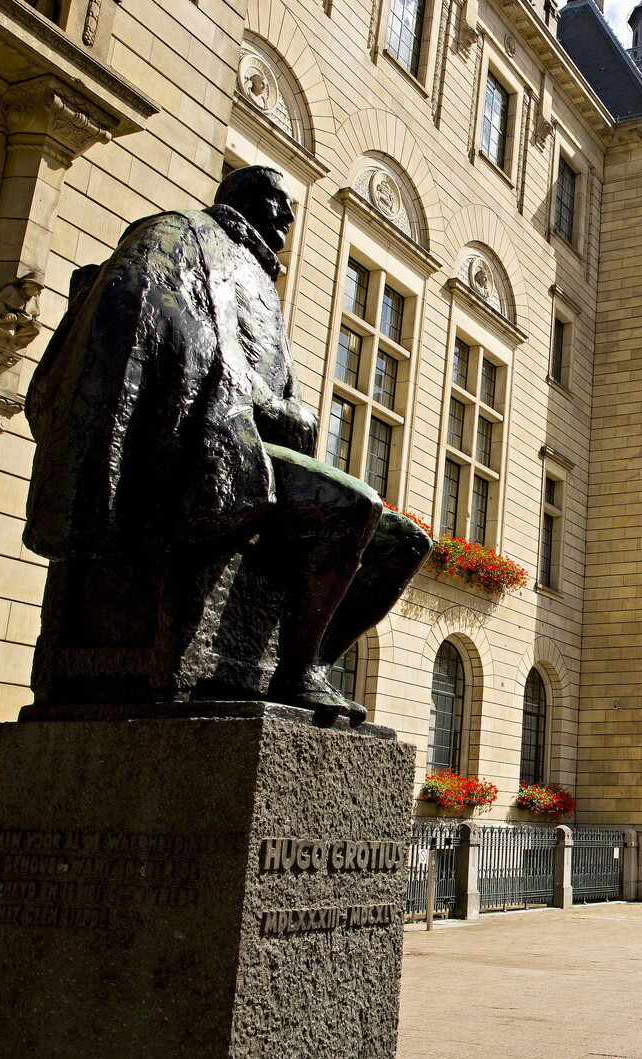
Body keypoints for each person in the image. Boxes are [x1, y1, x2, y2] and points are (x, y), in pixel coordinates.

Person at [25, 166, 431, 719]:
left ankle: (304, 658)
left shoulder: (259, 275)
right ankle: (297, 673)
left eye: (291, 207)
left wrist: (283, 412)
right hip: (203, 437)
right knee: (352, 506)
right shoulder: (185, 236)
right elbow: (158, 324)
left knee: (406, 543)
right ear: (238, 197)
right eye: (276, 201)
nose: (289, 215)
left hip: (252, 445)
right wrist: (269, 407)